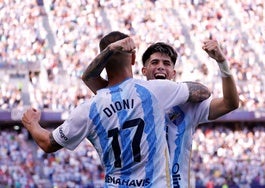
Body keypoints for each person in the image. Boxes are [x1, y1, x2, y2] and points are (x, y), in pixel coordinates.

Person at [21, 31, 209, 187]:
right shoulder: (154, 91)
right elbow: (203, 92)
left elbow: (47, 143)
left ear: (103, 62)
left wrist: (31, 123)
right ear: (134, 58)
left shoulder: (88, 109)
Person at [82, 38, 239, 187]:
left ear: (173, 73)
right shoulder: (127, 100)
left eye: (167, 63)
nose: (161, 66)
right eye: (154, 62)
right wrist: (110, 50)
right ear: (144, 70)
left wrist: (222, 62)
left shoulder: (188, 106)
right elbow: (90, 78)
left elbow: (229, 103)